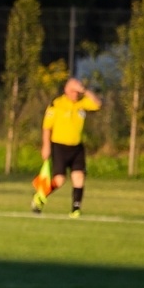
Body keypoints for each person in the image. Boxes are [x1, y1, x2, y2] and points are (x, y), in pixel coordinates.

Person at [32, 77, 101, 217]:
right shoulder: (56, 104)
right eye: (73, 91)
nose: (76, 94)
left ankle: (75, 209)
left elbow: (98, 104)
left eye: (78, 92)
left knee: (79, 176)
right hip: (59, 147)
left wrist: (85, 90)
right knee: (59, 180)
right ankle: (40, 196)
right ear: (66, 90)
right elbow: (47, 127)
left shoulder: (82, 103)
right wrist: (46, 146)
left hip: (77, 147)